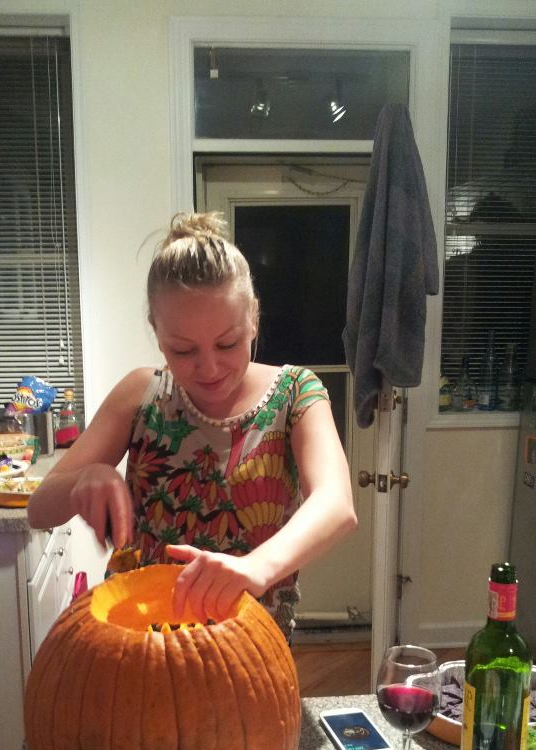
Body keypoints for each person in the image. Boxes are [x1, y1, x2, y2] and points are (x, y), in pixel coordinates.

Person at [28, 212, 358, 638]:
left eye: (228, 343)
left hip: (248, 646)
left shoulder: (295, 393)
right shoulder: (140, 394)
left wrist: (256, 567)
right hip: (140, 642)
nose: (209, 367)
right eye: (183, 350)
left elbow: (336, 503)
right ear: (157, 332)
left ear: (254, 318)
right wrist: (83, 479)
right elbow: (39, 509)